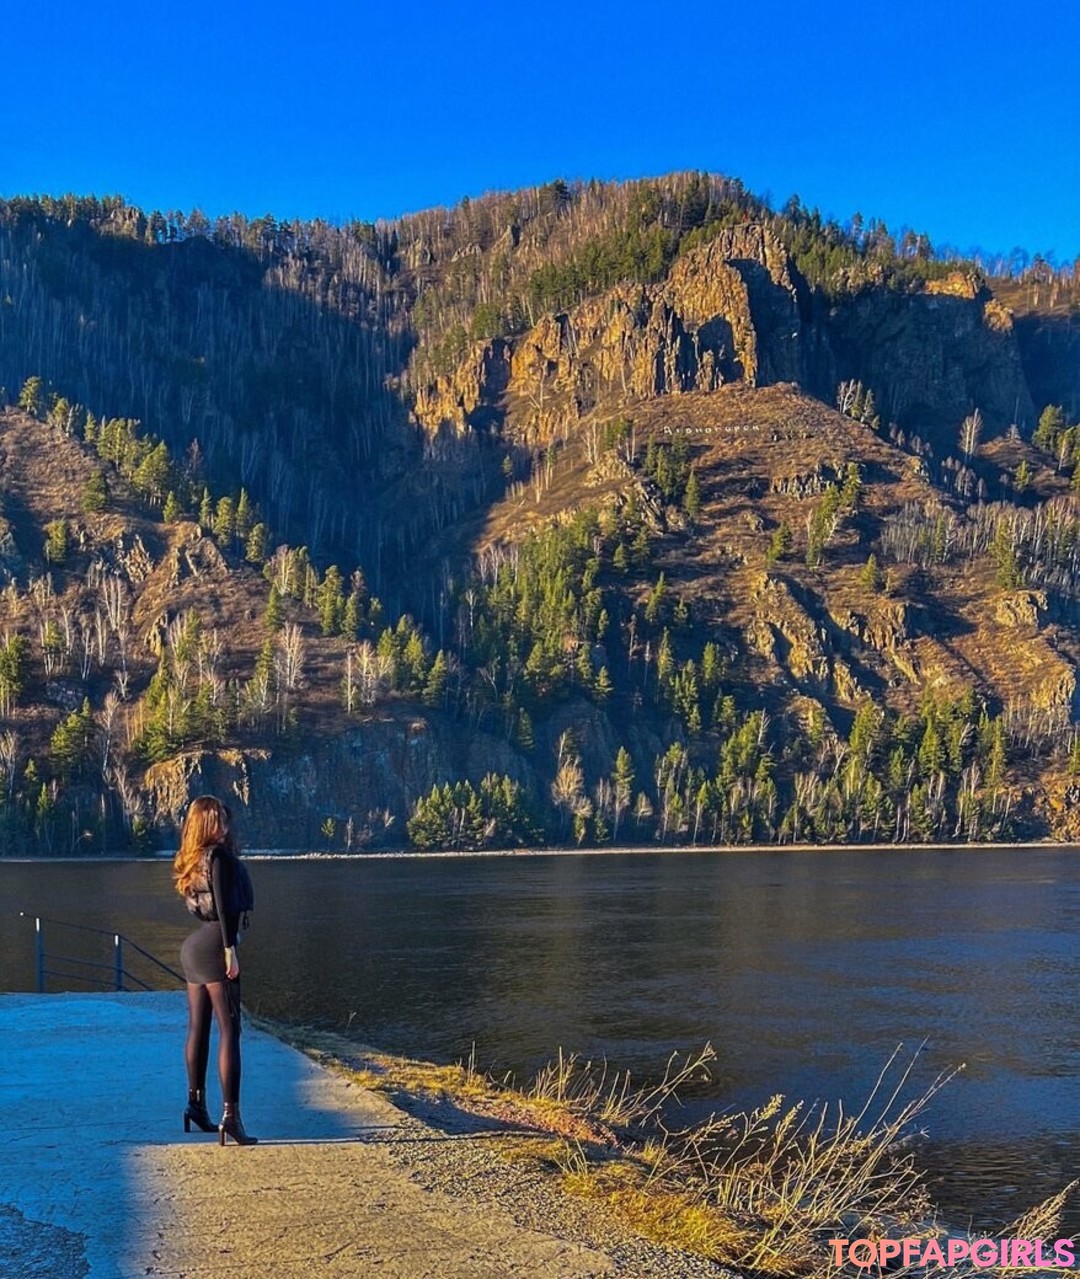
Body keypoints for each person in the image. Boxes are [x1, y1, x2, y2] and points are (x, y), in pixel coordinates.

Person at [173, 795, 257, 1145]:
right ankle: (230, 1117)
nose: (225, 825)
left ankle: (195, 1105)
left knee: (198, 1028)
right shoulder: (218, 857)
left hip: (194, 948)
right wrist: (229, 951)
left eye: (225, 818)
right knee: (230, 1031)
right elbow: (224, 908)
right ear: (206, 824)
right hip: (214, 948)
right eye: (218, 819)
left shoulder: (192, 859)